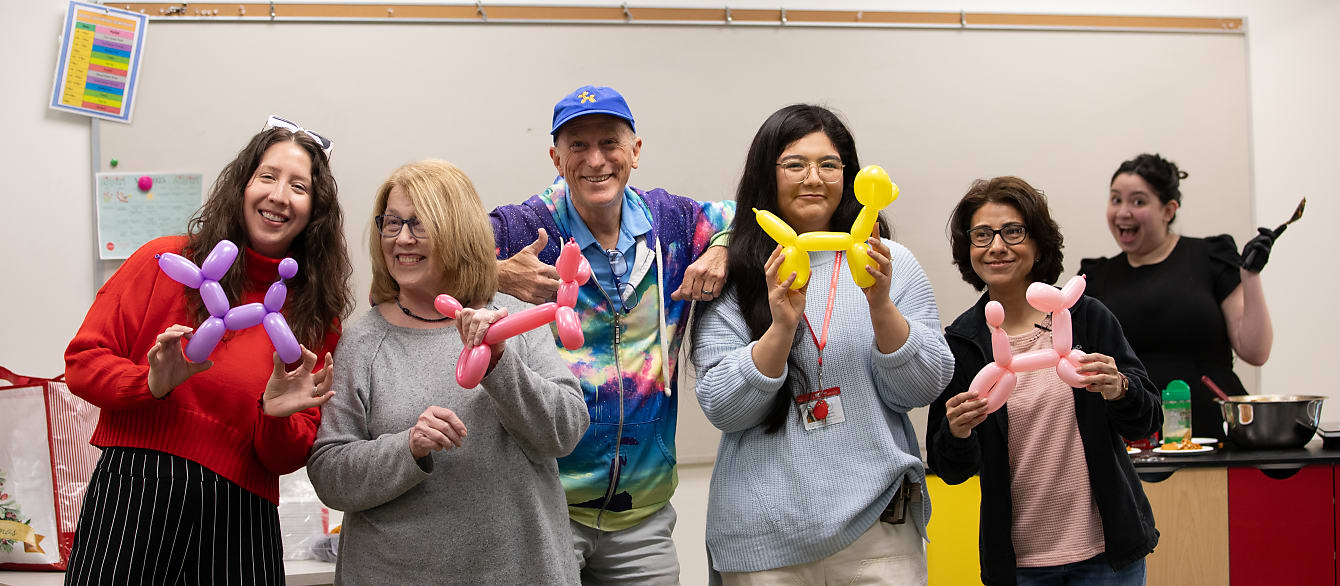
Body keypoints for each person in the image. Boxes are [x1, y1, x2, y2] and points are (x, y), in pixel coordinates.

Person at [63, 116, 353, 585]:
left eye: (299, 186)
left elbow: (286, 455)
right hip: (135, 492)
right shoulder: (168, 263)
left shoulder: (316, 314)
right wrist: (150, 382)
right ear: (242, 185)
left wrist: (275, 415)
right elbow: (82, 362)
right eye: (268, 177)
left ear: (314, 210)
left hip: (242, 515)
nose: (280, 195)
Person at [691, 104, 954, 584]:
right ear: (766, 175)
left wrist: (881, 305)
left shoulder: (887, 262)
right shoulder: (731, 274)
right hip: (763, 540)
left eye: (829, 165)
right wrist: (780, 329)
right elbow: (725, 409)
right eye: (795, 164)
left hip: (878, 530)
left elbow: (923, 387)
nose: (813, 178)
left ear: (851, 177)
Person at [489, 85, 734, 583]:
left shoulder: (674, 223)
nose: (595, 160)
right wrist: (495, 274)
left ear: (635, 151)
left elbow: (751, 218)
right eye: (577, 145)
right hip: (545, 507)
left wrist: (723, 249)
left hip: (644, 517)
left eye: (610, 143)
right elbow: (433, 249)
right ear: (555, 157)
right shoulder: (525, 227)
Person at [306, 159, 588, 585]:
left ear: (457, 232)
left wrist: (499, 364)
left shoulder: (518, 323)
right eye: (392, 223)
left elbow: (564, 433)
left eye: (419, 224)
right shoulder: (361, 343)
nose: (402, 239)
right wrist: (407, 448)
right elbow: (330, 475)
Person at [928, 176, 1161, 585]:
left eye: (1012, 231)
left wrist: (1120, 388)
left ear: (1037, 243)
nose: (996, 246)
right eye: (981, 235)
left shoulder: (1084, 316)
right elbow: (949, 468)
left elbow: (1146, 420)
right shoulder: (961, 343)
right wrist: (957, 430)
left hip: (1106, 556)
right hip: (1019, 566)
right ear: (968, 249)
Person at [1079, 153, 1275, 440]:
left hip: (1211, 435)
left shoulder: (1210, 257)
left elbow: (1255, 351)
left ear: (1168, 211)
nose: (1123, 212)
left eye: (1138, 201)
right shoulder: (1096, 277)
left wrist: (1250, 275)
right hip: (1132, 438)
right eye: (1116, 199)